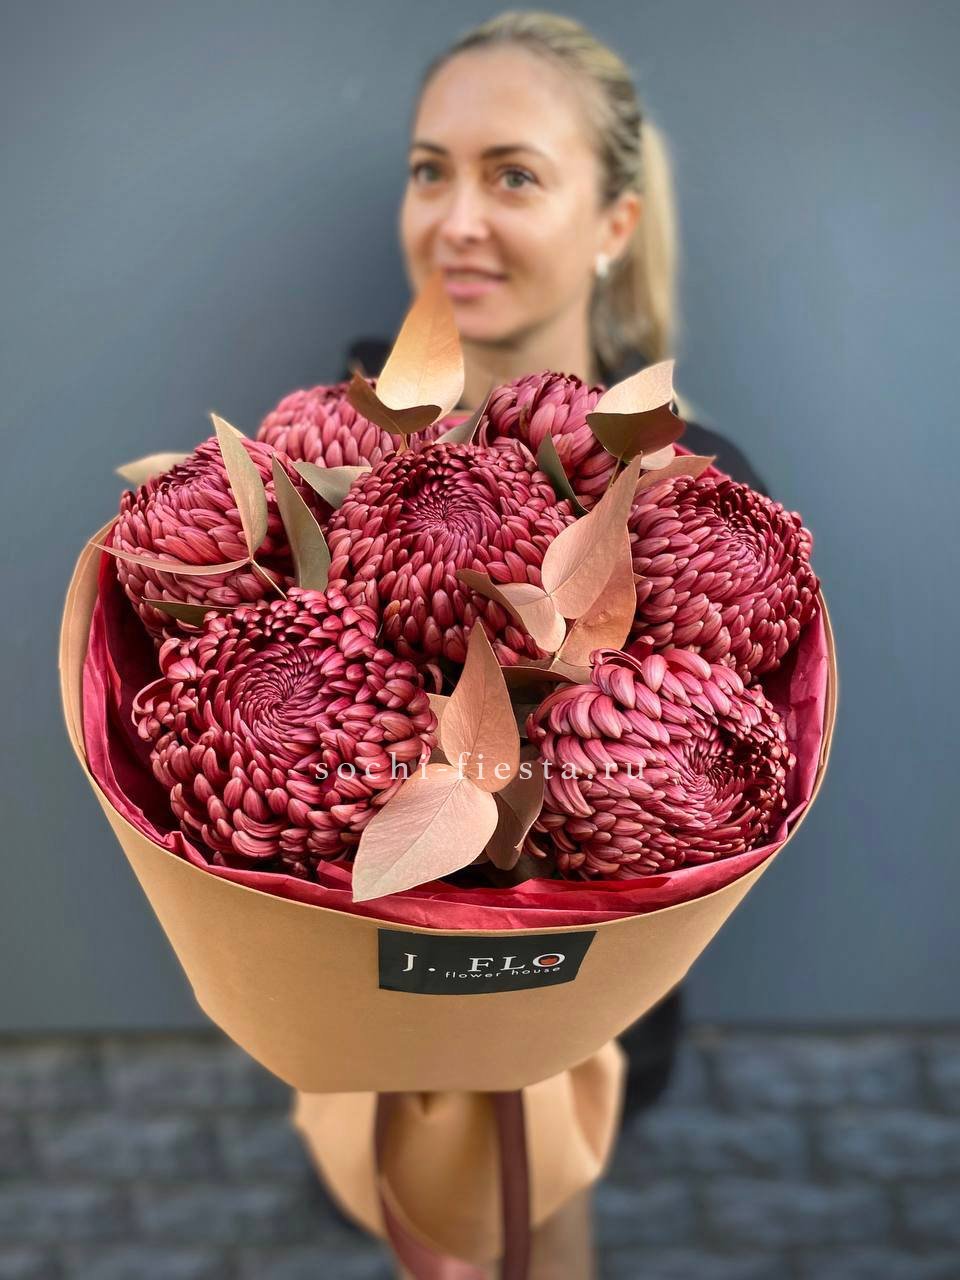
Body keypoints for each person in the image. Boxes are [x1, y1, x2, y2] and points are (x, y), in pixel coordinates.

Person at [341, 11, 766, 1123]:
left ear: (614, 222)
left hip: (598, 1044)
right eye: (430, 172)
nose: (456, 221)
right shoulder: (323, 457)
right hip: (363, 1042)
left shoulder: (706, 493)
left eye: (514, 176)